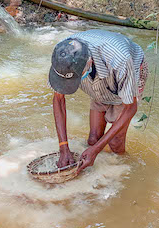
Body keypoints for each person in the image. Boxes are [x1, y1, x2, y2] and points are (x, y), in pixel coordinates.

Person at [48, 29, 148, 173]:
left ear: (88, 63)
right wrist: (63, 147)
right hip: (98, 75)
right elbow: (58, 99)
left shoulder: (121, 60)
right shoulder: (62, 55)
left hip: (129, 70)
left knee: (116, 143)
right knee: (93, 140)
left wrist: (97, 150)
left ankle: (122, 174)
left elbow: (130, 108)